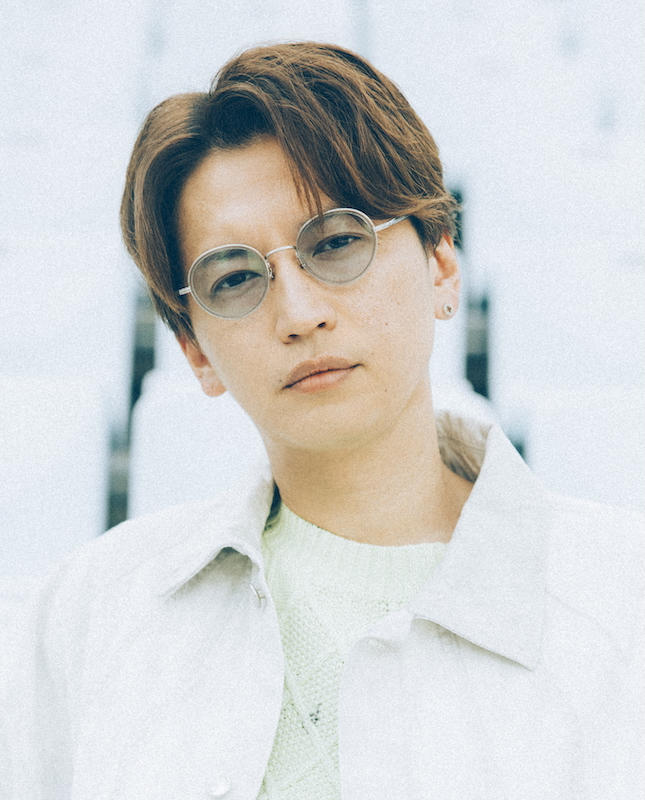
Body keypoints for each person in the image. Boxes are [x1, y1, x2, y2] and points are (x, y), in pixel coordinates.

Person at [1, 42, 642, 800]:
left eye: (336, 243)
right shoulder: (96, 610)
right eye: (234, 279)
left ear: (441, 262)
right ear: (194, 350)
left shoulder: (621, 599)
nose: (299, 313)